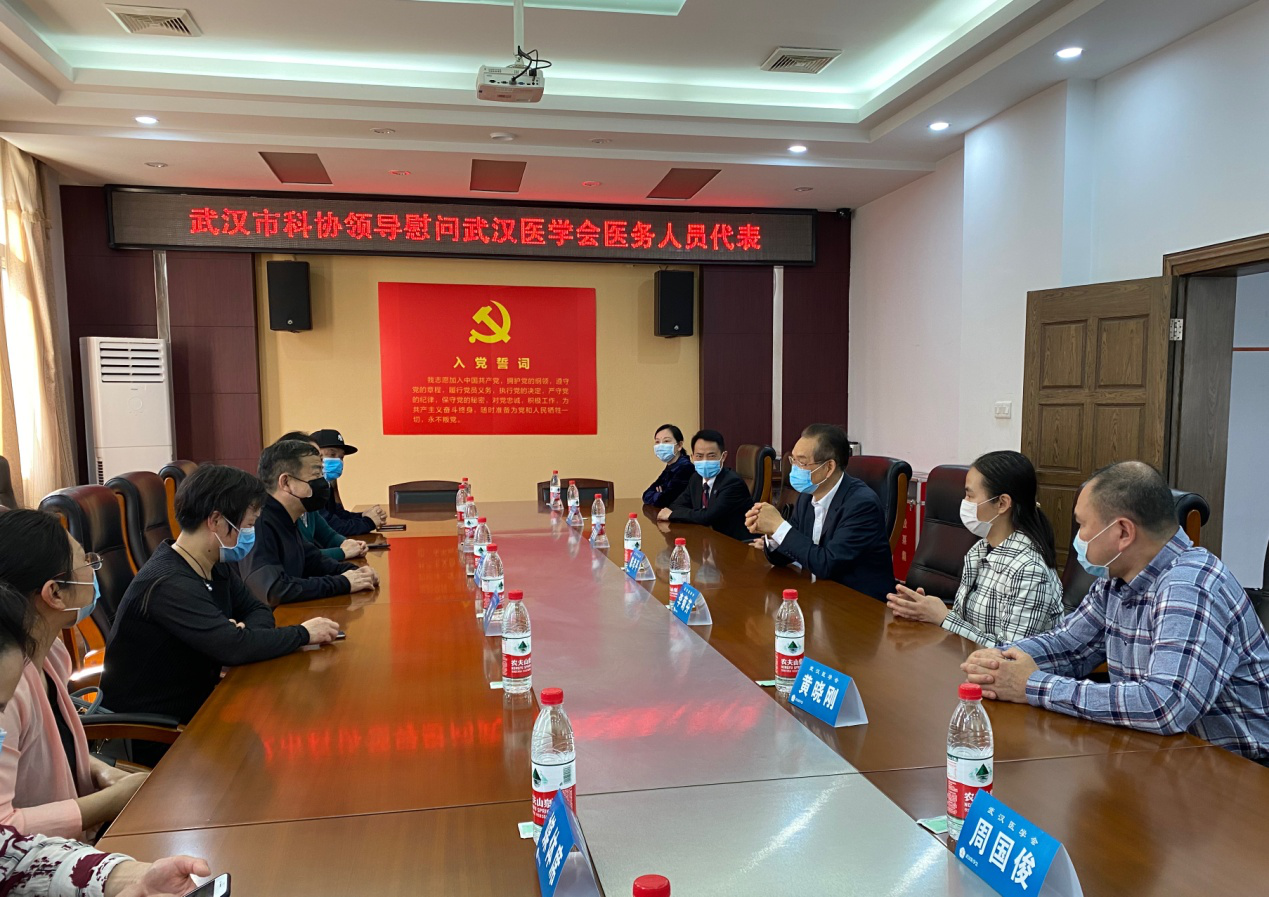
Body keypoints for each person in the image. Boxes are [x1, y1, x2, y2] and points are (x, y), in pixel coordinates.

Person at [962, 461, 1269, 762]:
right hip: (1163, 755)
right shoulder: (1117, 580)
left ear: (1123, 532)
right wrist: (999, 660)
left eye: (1083, 526)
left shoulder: (1190, 586)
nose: (1078, 539)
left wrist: (1032, 685)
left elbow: (1164, 705)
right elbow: (1068, 645)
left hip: (1240, 772)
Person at [101, 465, 340, 743]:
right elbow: (234, 648)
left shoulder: (213, 563)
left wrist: (240, 637)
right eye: (248, 525)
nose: (251, 533)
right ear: (216, 520)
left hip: (201, 710)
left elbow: (257, 610)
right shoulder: (168, 583)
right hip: (153, 733)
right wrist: (303, 633)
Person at [0, 585, 208, 897]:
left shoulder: (40, 655)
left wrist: (126, 877)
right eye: (86, 562)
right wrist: (114, 799)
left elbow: (13, 856)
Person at [0, 511, 150, 839]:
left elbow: (53, 752)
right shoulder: (6, 689)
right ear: (55, 593)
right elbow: (4, 830)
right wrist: (112, 800)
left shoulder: (51, 652)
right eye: (85, 560)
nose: (93, 569)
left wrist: (101, 770)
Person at [886, 451, 1063, 645]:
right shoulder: (979, 550)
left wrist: (944, 617)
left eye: (970, 495)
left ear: (1002, 503)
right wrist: (925, 609)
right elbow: (967, 623)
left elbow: (1013, 653)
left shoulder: (1029, 570)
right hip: (971, 658)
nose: (964, 503)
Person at [745, 424, 895, 600]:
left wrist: (778, 526)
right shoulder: (807, 496)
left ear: (829, 467)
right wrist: (771, 533)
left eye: (802, 462)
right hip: (820, 595)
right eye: (793, 460)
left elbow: (826, 564)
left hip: (858, 603)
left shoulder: (861, 505)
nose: (794, 468)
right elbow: (786, 555)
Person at [239, 439, 378, 607]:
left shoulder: (285, 517)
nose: (322, 482)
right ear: (286, 482)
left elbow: (313, 561)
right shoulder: (258, 522)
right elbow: (274, 590)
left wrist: (356, 572)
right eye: (316, 475)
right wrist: (343, 583)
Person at [278, 432, 367, 562]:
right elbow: (299, 556)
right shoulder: (277, 512)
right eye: (315, 465)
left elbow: (328, 535)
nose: (320, 470)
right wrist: (342, 552)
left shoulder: (308, 502)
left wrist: (348, 544)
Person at [657, 429, 751, 542]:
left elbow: (708, 516)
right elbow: (676, 505)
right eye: (699, 456)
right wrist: (686, 514)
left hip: (734, 544)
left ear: (723, 456)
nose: (705, 461)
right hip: (707, 541)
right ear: (692, 457)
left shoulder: (733, 483)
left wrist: (672, 515)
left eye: (711, 456)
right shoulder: (696, 479)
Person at [309, 429, 386, 536]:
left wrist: (363, 515)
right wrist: (369, 522)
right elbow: (333, 527)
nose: (338, 461)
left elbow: (339, 516)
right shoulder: (309, 488)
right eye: (332, 454)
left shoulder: (326, 484)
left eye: (341, 457)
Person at [642, 424, 694, 508]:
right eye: (657, 442)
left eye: (666, 441)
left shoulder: (686, 468)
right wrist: (660, 494)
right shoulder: (670, 467)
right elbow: (646, 495)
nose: (661, 445)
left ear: (679, 445)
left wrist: (659, 494)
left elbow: (664, 501)